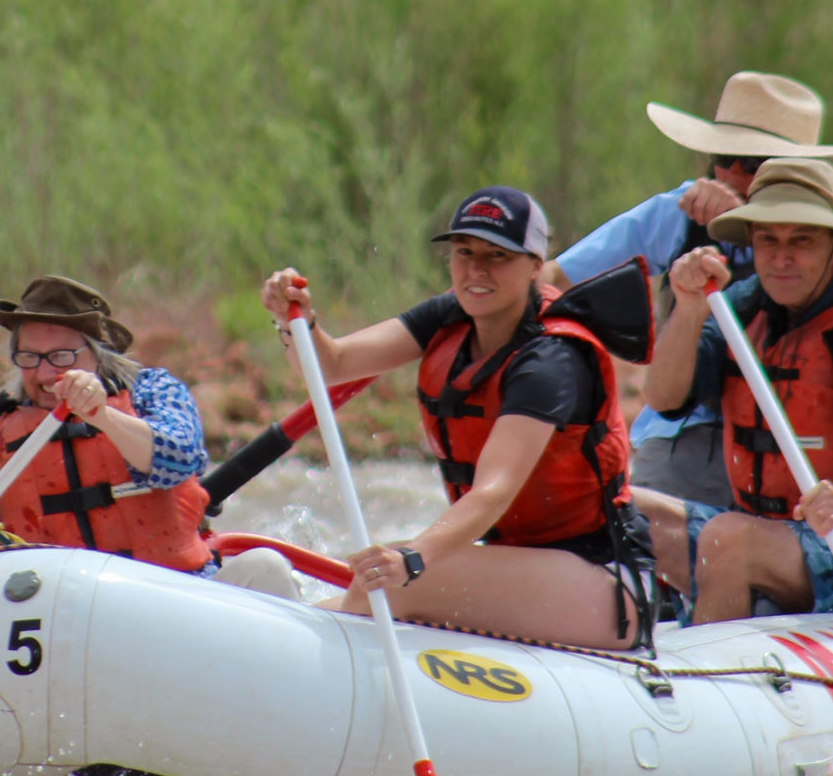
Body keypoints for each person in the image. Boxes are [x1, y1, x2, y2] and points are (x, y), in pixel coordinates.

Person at [260, 187, 652, 649]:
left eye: (497, 255)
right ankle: (272, 631)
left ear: (534, 266)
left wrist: (413, 557)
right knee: (374, 590)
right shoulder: (450, 314)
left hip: (604, 582)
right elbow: (330, 365)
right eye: (464, 252)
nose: (476, 269)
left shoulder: (551, 360)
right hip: (520, 565)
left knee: (393, 583)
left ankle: (285, 643)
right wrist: (296, 323)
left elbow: (494, 491)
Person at [546, 72, 833, 509]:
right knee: (639, 527)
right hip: (689, 431)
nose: (734, 175)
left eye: (756, 163)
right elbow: (553, 280)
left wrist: (750, 228)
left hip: (802, 435)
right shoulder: (679, 212)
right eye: (725, 157)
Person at [637, 157, 833, 624]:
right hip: (763, 534)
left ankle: (713, 678)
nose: (781, 258)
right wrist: (689, 309)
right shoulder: (740, 304)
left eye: (801, 240)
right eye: (768, 240)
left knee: (728, 539)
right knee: (624, 510)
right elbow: (664, 398)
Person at [0, 276, 212, 570]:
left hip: (165, 588)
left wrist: (100, 415)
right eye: (30, 357)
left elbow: (179, 460)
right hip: (56, 604)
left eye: (61, 356)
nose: (45, 373)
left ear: (98, 356)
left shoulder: (153, 391)